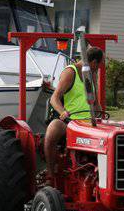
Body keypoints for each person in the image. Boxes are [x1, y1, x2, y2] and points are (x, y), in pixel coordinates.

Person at [44, 46, 104, 180]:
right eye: (99, 65)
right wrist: (63, 112)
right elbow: (55, 98)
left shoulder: (92, 74)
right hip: (71, 121)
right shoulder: (71, 72)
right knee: (52, 131)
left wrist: (102, 117)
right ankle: (50, 174)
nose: (99, 68)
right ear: (94, 62)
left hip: (89, 122)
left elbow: (96, 102)